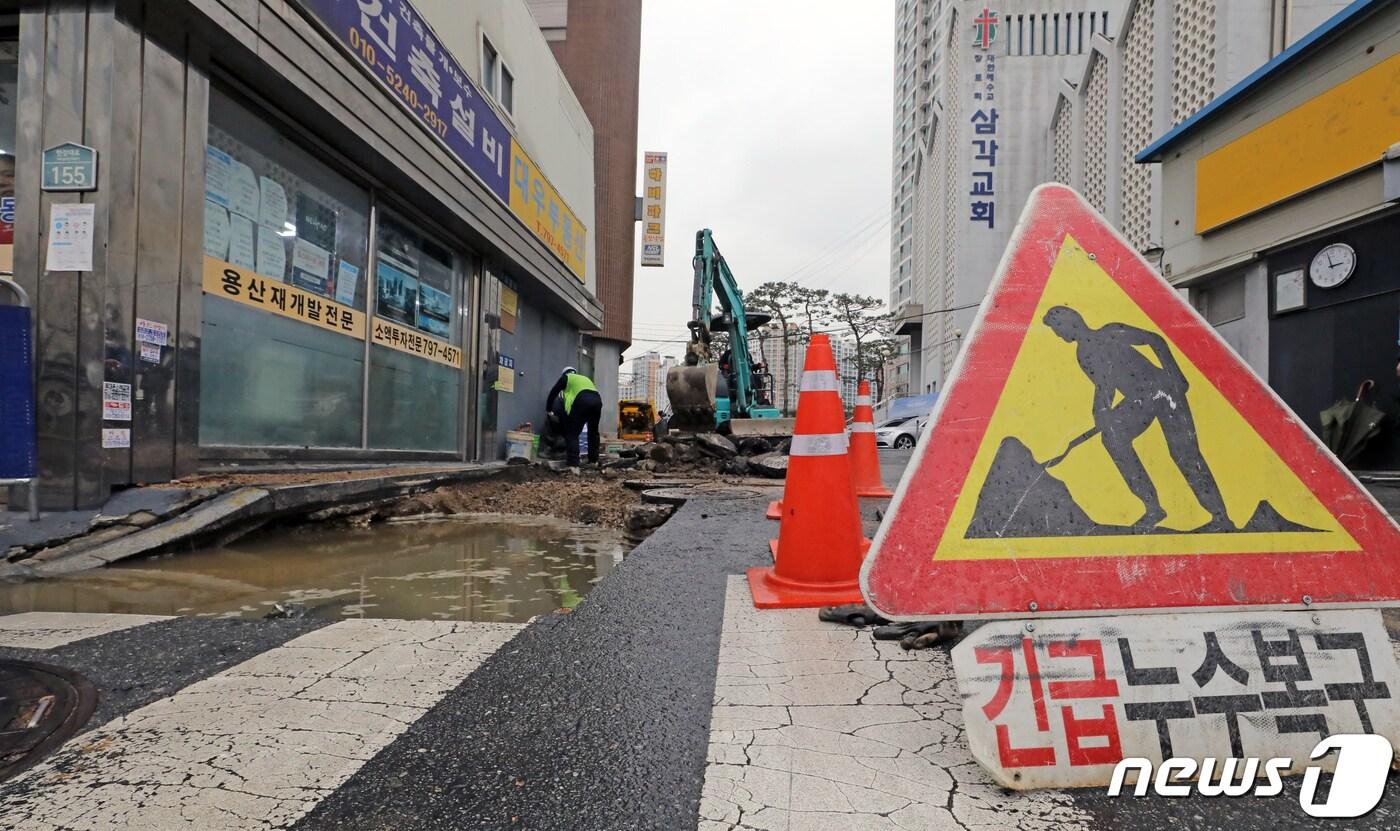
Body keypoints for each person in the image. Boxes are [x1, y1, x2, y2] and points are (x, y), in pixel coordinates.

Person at [1043, 305, 1232, 531]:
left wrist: (1177, 376)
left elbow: (1155, 340)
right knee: (1113, 439)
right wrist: (1101, 415)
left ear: (1071, 322)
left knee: (1184, 453)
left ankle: (1221, 517)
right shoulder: (1082, 354)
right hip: (1139, 400)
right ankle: (1153, 508)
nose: (1058, 334)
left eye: (1058, 328)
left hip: (1164, 390)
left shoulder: (1110, 332)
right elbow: (1105, 386)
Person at [546, 366, 602, 471]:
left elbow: (553, 393)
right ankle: (593, 461)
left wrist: (549, 409)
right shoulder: (584, 379)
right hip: (597, 401)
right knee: (593, 433)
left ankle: (573, 464)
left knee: (572, 433)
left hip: (582, 400)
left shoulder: (566, 377)